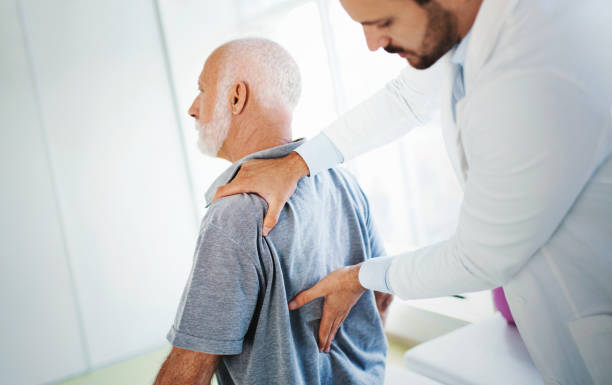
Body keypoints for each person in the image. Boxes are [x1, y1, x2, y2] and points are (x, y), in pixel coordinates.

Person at [212, 1, 612, 384]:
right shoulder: (472, 31)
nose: (373, 43)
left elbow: (479, 259)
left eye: (383, 21)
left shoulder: (534, 65)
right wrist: (296, 163)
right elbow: (406, 98)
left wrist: (360, 277)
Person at [154, 38, 392, 385]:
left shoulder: (235, 214)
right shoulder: (343, 182)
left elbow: (191, 369)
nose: (193, 108)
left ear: (236, 97)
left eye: (202, 91)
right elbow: (382, 295)